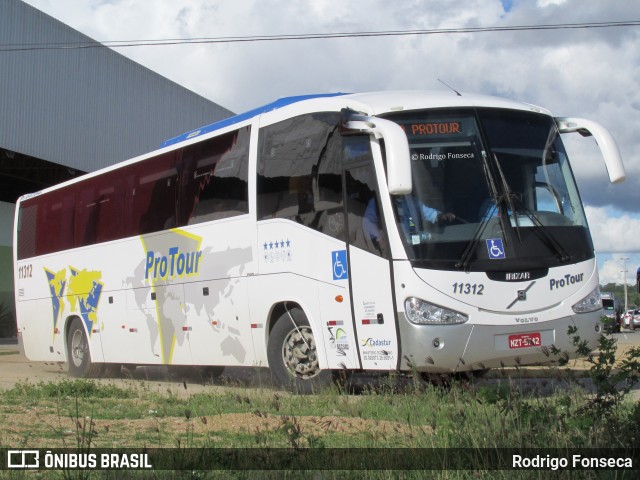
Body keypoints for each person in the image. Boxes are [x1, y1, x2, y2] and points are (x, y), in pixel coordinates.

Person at [364, 196, 455, 247]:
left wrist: (440, 216)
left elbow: (427, 212)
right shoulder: (377, 201)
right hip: (392, 246)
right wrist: (379, 235)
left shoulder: (410, 200)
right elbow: (368, 222)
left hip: (413, 245)